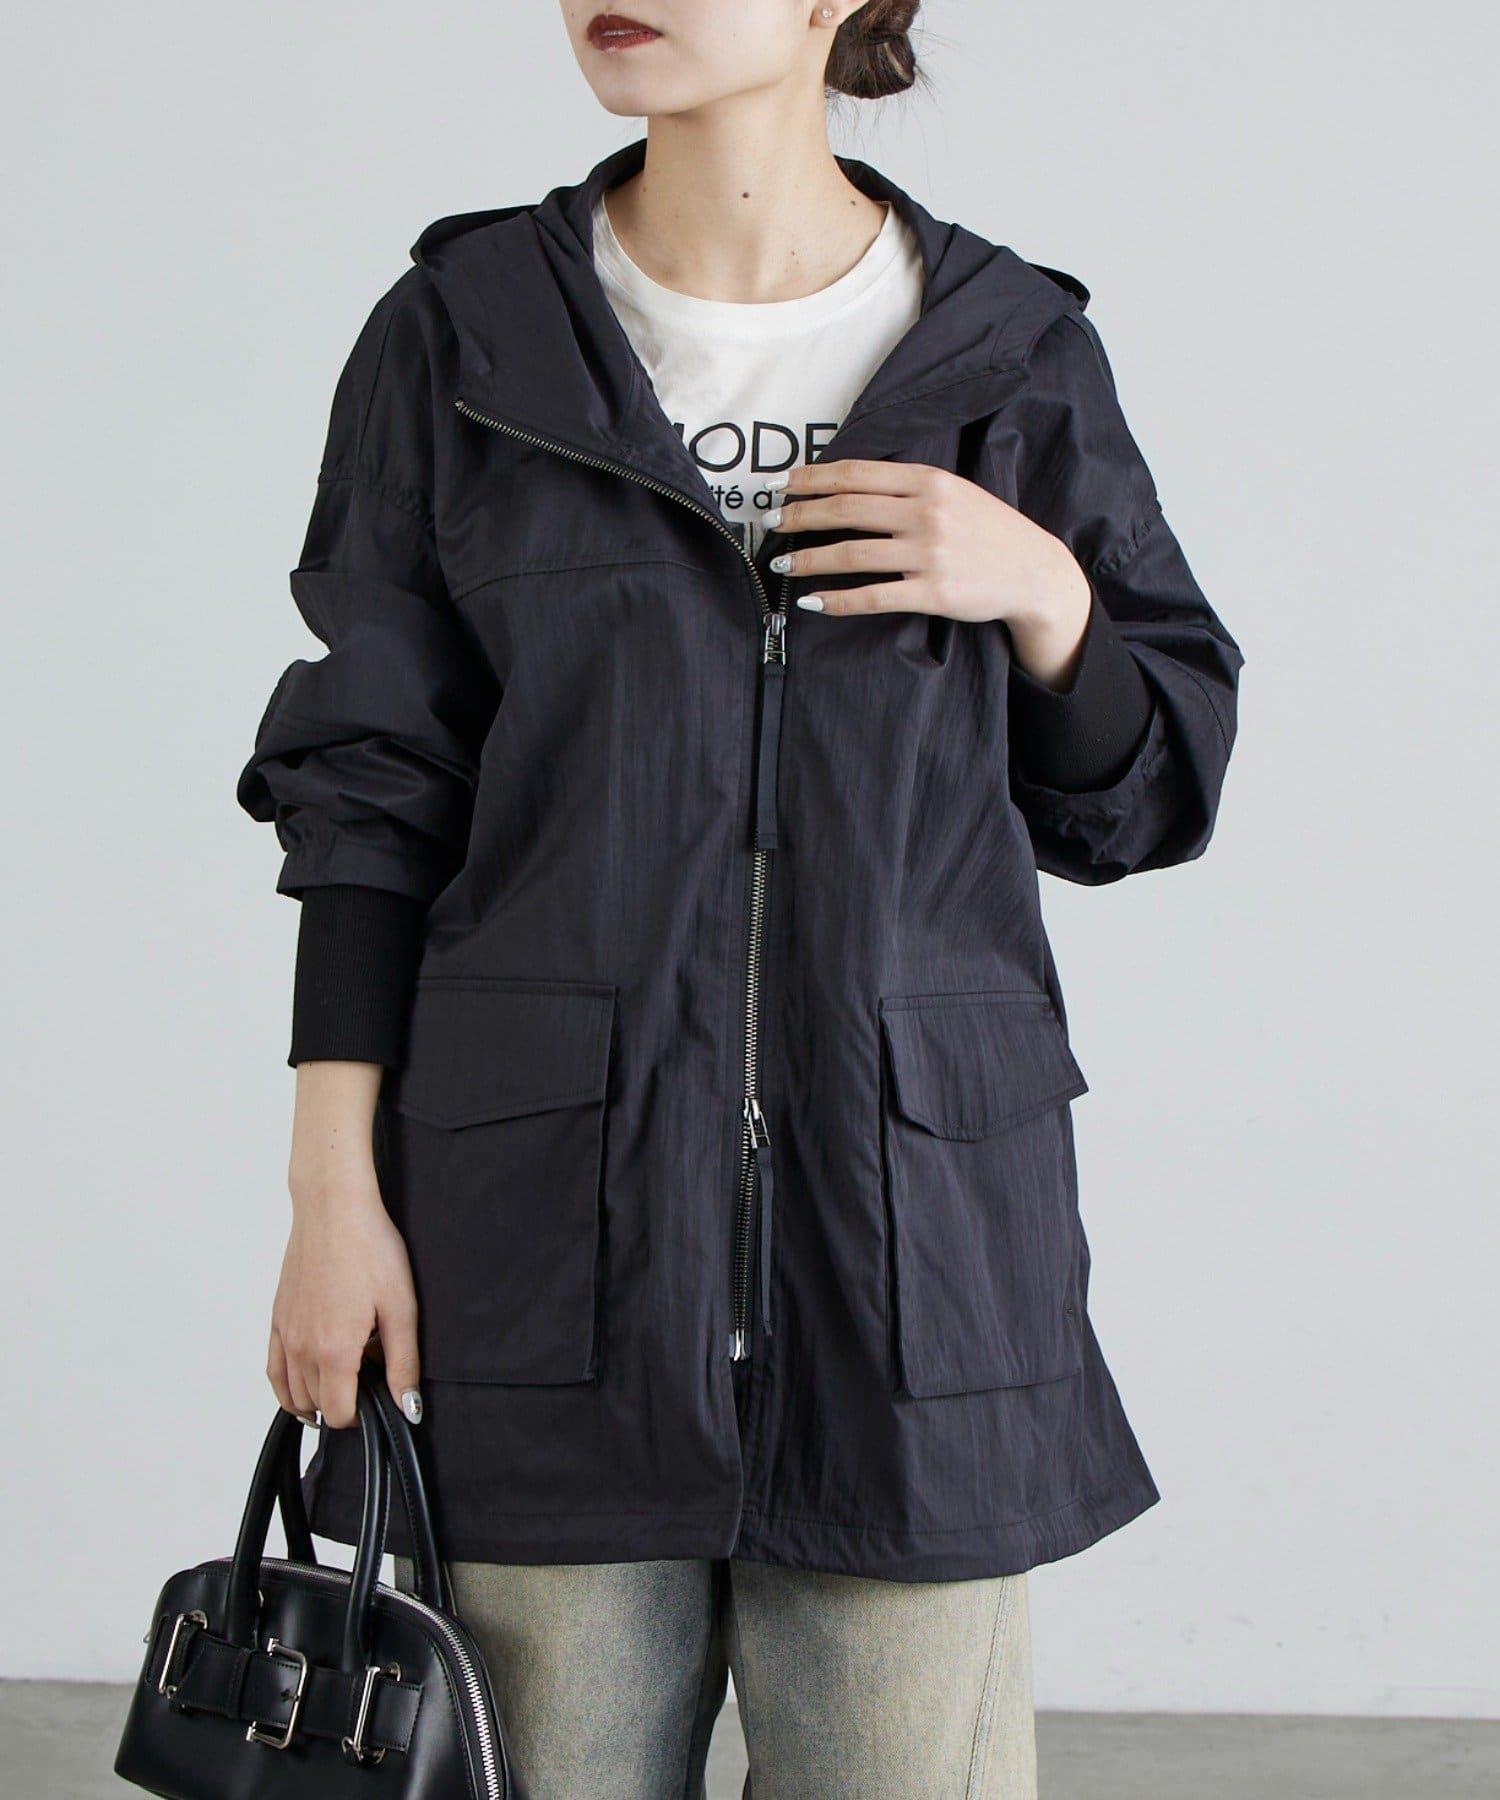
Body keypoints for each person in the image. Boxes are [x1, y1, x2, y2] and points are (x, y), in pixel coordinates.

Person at [237, 2, 1242, 1792]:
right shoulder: (466, 334)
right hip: (546, 1257)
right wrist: (332, 1198)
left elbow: (1146, 792)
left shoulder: (1011, 351)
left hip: (915, 1265)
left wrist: (1044, 593)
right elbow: (371, 795)